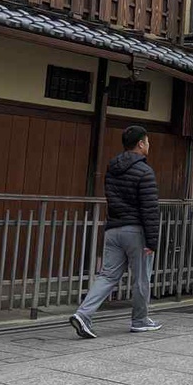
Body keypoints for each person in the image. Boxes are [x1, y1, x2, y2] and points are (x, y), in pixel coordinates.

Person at [70, 125, 162, 338]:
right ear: (140, 144)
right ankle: (139, 320)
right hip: (136, 231)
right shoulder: (145, 171)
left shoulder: (112, 167)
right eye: (147, 141)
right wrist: (152, 242)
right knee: (141, 277)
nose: (149, 145)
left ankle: (83, 314)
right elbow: (149, 209)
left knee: (107, 276)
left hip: (113, 229)